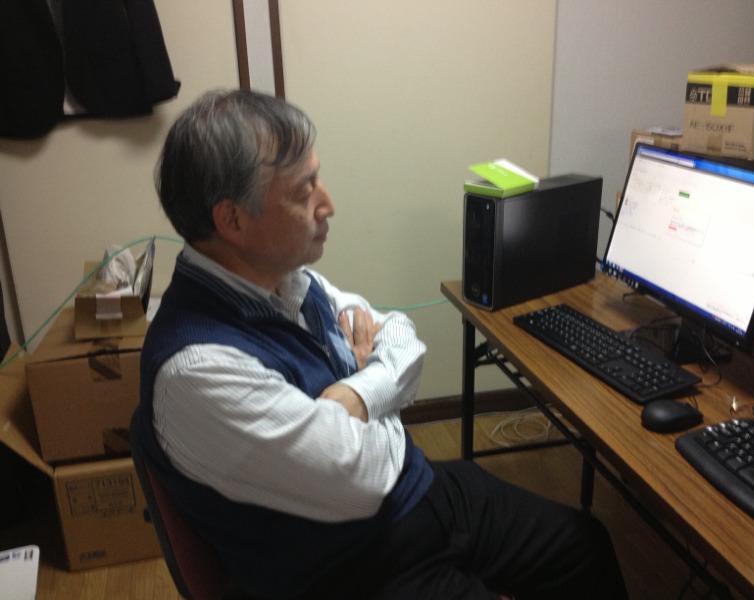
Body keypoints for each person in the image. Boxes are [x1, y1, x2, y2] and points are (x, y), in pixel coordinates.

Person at [137, 89, 628, 600]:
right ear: (233, 221)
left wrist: (356, 394)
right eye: (304, 192)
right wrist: (382, 395)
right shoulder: (196, 372)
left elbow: (401, 336)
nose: (329, 204)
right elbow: (367, 476)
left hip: (418, 494)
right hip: (348, 569)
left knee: (584, 544)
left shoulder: (286, 281)